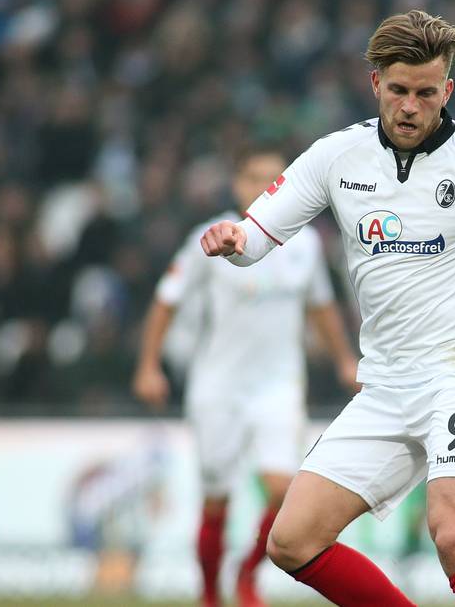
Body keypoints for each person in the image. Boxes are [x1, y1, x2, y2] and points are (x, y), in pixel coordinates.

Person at [199, 10, 455, 607]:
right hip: (386, 383)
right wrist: (235, 243)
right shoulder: (337, 156)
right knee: (292, 540)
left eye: (425, 93)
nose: (411, 107)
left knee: (452, 532)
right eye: (398, 91)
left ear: (446, 90)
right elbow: (258, 234)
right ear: (375, 84)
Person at [132, 149, 360, 607]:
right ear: (235, 183)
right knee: (216, 499)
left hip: (279, 386)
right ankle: (210, 594)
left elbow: (320, 307)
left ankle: (247, 576)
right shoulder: (210, 237)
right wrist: (148, 365)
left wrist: (343, 359)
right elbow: (166, 300)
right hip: (219, 386)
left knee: (282, 490)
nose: (262, 186)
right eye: (253, 176)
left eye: (272, 178)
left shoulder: (305, 243)